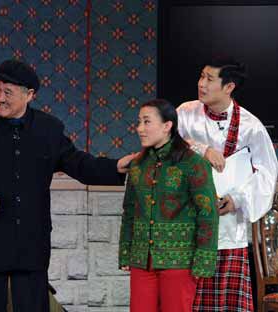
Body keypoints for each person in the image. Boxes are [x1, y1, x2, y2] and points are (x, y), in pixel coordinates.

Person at [0, 59, 135, 311]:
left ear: (30, 95)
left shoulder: (49, 129)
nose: (0, 98)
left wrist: (116, 167)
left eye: (8, 92)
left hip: (31, 246)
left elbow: (78, 163)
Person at [177, 56, 278, 311]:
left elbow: (267, 174)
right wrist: (202, 149)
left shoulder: (250, 126)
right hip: (188, 227)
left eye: (209, 79)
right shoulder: (185, 114)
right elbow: (165, 145)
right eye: (201, 76)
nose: (201, 83)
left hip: (228, 231)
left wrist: (238, 200)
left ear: (229, 87)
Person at [118, 99, 219, 312]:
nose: (139, 129)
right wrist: (126, 250)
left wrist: (204, 258)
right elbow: (129, 211)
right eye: (139, 122)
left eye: (146, 122)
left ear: (167, 126)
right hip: (142, 260)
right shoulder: (137, 165)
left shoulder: (193, 163)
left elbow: (208, 212)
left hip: (180, 262)